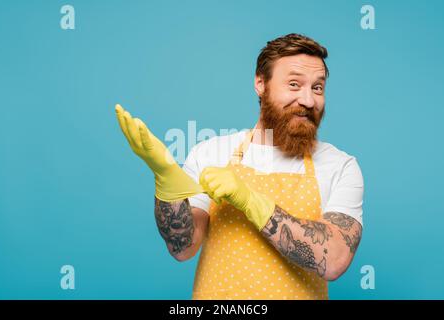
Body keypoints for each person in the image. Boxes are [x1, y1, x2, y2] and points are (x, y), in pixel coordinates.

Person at [115, 33, 364, 300]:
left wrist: (250, 201)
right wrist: (166, 182)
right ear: (260, 83)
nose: (309, 100)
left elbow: (334, 259)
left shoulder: (340, 166)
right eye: (294, 84)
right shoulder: (210, 153)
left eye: (317, 88)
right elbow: (183, 247)